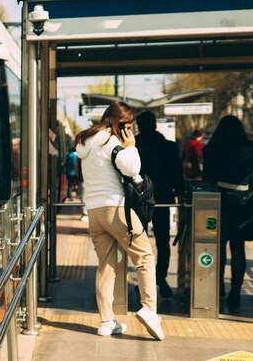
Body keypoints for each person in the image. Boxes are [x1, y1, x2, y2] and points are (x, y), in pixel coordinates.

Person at [75, 101, 164, 340]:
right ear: (116, 122)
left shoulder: (87, 141)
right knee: (144, 256)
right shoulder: (110, 140)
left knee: (106, 264)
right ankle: (149, 309)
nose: (129, 131)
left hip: (94, 212)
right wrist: (131, 146)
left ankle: (106, 321)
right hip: (116, 209)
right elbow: (132, 167)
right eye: (126, 125)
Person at [202, 115, 253, 308]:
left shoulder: (212, 150)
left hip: (219, 202)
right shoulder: (251, 152)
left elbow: (207, 176)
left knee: (219, 246)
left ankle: (219, 286)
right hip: (243, 206)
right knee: (238, 248)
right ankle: (235, 293)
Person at [135, 111, 185, 299]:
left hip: (139, 199)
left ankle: (143, 279)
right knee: (163, 241)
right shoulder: (169, 147)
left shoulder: (134, 145)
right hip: (163, 198)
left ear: (138, 126)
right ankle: (161, 278)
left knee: (139, 241)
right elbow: (177, 174)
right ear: (155, 125)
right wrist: (180, 194)